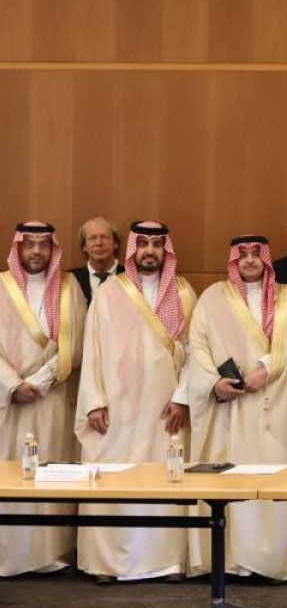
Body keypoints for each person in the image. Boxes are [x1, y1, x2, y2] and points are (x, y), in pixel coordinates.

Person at [186, 236, 287, 581]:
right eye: (241, 255)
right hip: (229, 412)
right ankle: (234, 561)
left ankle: (274, 563)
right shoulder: (213, 297)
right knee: (235, 482)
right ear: (234, 261)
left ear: (266, 260)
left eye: (255, 255)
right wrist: (214, 383)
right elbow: (196, 348)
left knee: (273, 482)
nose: (248, 261)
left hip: (276, 407)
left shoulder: (286, 297)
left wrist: (266, 369)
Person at [76, 222, 197, 584]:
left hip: (166, 411)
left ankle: (166, 563)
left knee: (165, 479)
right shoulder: (109, 292)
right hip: (118, 408)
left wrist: (183, 398)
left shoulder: (183, 292)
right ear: (131, 249)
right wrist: (94, 401)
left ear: (166, 250)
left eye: (157, 245)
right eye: (143, 244)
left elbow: (196, 353)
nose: (150, 251)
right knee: (115, 478)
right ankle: (108, 564)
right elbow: (93, 350)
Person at [0, 222, 85, 577]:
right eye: (29, 244)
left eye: (43, 245)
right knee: (11, 473)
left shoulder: (69, 287)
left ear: (53, 249)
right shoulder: (1, 285)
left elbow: (76, 344)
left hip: (51, 398)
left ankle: (51, 556)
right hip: (8, 403)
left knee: (50, 474)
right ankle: (10, 556)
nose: (36, 251)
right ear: (18, 248)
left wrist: (38, 382)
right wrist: (12, 384)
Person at [68, 216, 123, 305]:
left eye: (104, 237)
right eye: (92, 238)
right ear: (84, 246)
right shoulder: (70, 279)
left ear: (115, 243)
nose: (99, 243)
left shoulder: (131, 279)